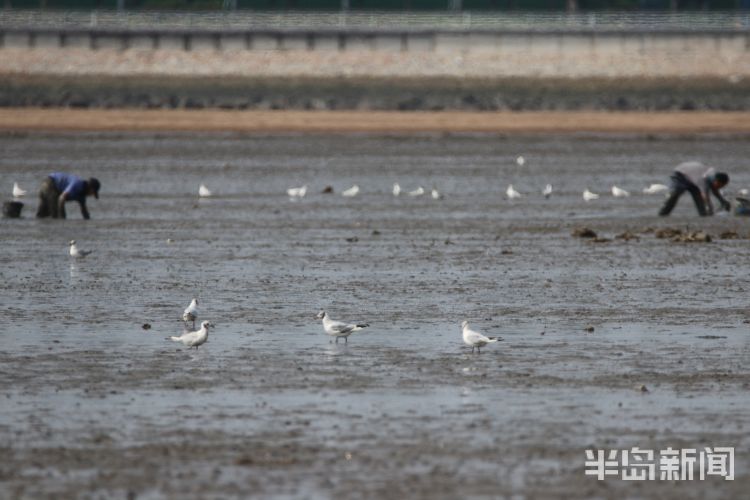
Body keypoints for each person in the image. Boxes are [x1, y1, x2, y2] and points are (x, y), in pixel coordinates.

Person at [658, 161, 730, 217]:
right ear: (716, 181)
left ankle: (704, 217)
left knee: (701, 205)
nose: (720, 188)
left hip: (693, 179)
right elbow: (705, 196)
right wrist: (710, 208)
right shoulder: (703, 181)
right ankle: (663, 214)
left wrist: (723, 202)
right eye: (719, 185)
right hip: (680, 175)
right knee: (675, 194)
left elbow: (715, 190)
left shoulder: (713, 176)